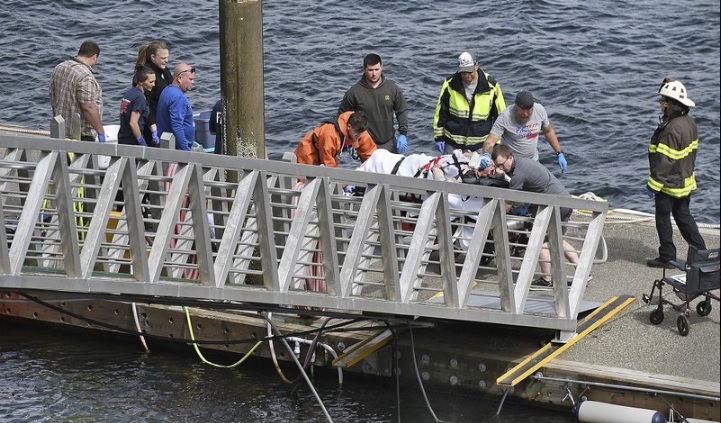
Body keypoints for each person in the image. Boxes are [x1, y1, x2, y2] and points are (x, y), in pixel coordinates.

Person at [490, 144, 579, 289]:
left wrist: (492, 218)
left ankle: (546, 280)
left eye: (501, 165)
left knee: (540, 241)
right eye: (497, 166)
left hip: (555, 205)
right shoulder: (522, 163)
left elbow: (509, 203)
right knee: (555, 239)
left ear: (510, 157)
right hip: (562, 201)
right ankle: (582, 271)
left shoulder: (519, 173)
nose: (500, 168)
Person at [645, 77, 706, 268]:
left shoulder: (671, 129)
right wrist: (666, 84)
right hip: (684, 181)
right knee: (684, 217)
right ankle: (701, 253)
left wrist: (652, 185)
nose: (661, 104)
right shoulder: (689, 123)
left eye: (663, 101)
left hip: (668, 185)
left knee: (663, 219)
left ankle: (667, 257)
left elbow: (664, 161)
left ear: (670, 105)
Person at [433, 51, 505, 154]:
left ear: (476, 66)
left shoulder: (491, 86)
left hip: (481, 145)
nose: (467, 76)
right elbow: (441, 112)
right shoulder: (450, 84)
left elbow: (500, 116)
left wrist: (496, 142)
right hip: (452, 144)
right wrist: (438, 137)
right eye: (463, 72)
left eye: (469, 72)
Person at [479, 90, 567, 173]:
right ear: (515, 105)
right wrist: (486, 154)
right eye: (522, 110)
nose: (525, 114)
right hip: (511, 164)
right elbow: (490, 141)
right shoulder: (505, 117)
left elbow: (548, 131)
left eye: (529, 110)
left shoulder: (540, 111)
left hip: (533, 162)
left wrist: (559, 153)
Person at [338, 54, 409, 154]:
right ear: (364, 69)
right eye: (370, 70)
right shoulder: (354, 92)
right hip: (366, 144)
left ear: (382, 67)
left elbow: (401, 110)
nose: (374, 73)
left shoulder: (392, 88)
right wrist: (348, 138)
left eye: (377, 69)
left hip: (389, 142)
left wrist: (403, 133)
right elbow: (342, 117)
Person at [49, 40, 105, 142]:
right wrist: (100, 131)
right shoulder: (86, 77)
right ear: (94, 57)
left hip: (59, 130)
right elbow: (88, 107)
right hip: (80, 136)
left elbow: (53, 95)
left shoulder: (60, 67)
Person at [294, 111, 375, 169]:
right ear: (349, 127)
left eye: (361, 134)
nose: (359, 137)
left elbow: (370, 153)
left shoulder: (359, 129)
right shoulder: (330, 135)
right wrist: (342, 185)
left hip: (328, 154)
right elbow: (329, 165)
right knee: (307, 182)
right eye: (357, 135)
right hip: (309, 152)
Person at [133, 41, 173, 141]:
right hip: (151, 123)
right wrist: (153, 127)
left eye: (167, 57)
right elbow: (145, 103)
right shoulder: (147, 74)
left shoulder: (165, 70)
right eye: (163, 58)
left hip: (164, 119)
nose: (166, 60)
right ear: (153, 57)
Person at [156, 63, 196, 151]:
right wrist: (186, 150)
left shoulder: (167, 90)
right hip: (176, 148)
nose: (193, 82)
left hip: (166, 144)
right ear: (180, 78)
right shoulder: (178, 97)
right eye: (190, 79)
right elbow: (177, 126)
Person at [118, 65, 159, 146]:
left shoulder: (129, 93)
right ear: (141, 82)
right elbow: (133, 123)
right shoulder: (140, 98)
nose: (154, 84)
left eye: (154, 81)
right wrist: (141, 141)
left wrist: (153, 130)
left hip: (122, 137)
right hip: (132, 141)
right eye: (151, 82)